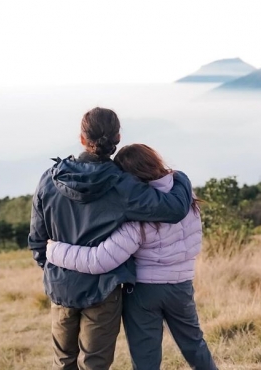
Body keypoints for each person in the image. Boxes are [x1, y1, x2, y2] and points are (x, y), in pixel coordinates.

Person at [29, 108, 194, 370]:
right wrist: (180, 178)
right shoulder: (123, 185)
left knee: (62, 362)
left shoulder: (50, 179)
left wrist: (54, 270)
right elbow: (173, 209)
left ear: (82, 138)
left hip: (61, 286)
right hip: (103, 290)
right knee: (95, 364)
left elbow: (38, 240)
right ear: (117, 138)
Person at [46, 143, 218, 370]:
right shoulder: (185, 196)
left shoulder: (138, 213)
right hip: (181, 285)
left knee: (145, 356)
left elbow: (99, 260)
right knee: (195, 345)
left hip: (144, 292)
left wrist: (55, 250)